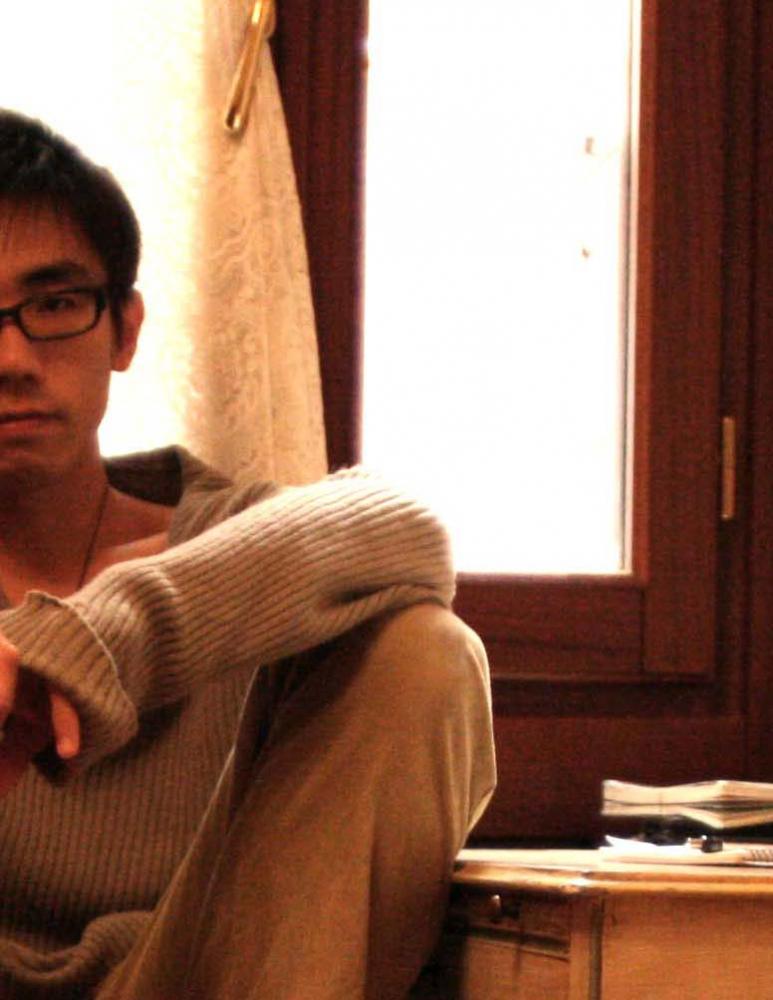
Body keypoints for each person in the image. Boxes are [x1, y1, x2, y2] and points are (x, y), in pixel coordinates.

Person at [0, 109, 496, 999]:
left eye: (55, 304)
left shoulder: (233, 543)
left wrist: (99, 638)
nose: (12, 358)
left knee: (421, 649)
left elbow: (406, 529)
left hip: (215, 974)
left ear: (124, 330)